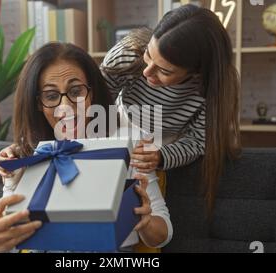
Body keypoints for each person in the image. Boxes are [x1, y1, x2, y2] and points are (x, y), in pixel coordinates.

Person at [0, 42, 172, 253]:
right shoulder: (28, 153)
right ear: (38, 103)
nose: (66, 107)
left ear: (92, 91)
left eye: (76, 91)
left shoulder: (130, 141)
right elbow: (11, 238)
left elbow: (162, 234)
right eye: (51, 96)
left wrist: (145, 220)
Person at [100, 4, 241, 210]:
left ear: (197, 72)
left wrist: (161, 156)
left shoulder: (215, 87)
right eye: (148, 55)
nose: (147, 72)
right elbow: (96, 104)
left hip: (171, 141)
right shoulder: (128, 52)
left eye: (164, 71)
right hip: (119, 122)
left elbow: (197, 141)